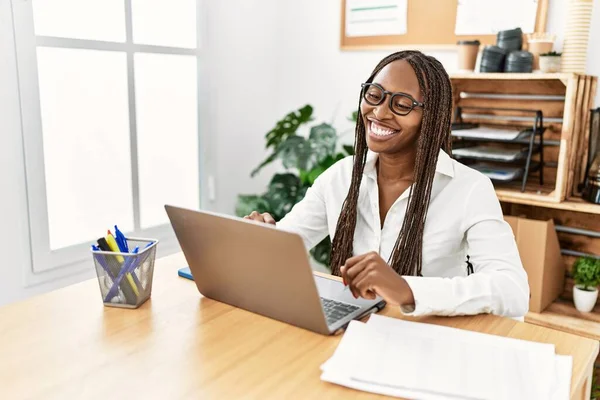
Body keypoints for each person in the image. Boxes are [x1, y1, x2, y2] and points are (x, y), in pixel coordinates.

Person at [245, 50, 529, 318]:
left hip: (429, 337)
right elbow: (288, 242)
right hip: (355, 327)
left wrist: (406, 289)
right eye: (374, 95)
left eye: (402, 104)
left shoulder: (469, 189)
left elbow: (513, 290)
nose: (379, 113)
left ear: (431, 118)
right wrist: (263, 239)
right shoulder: (340, 177)